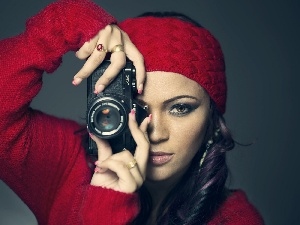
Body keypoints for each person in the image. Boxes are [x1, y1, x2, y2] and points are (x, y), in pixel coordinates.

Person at [0, 0, 264, 224]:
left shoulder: (235, 218)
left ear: (212, 120)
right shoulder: (66, 163)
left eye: (180, 108)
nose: (156, 133)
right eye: (137, 108)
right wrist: (66, 21)